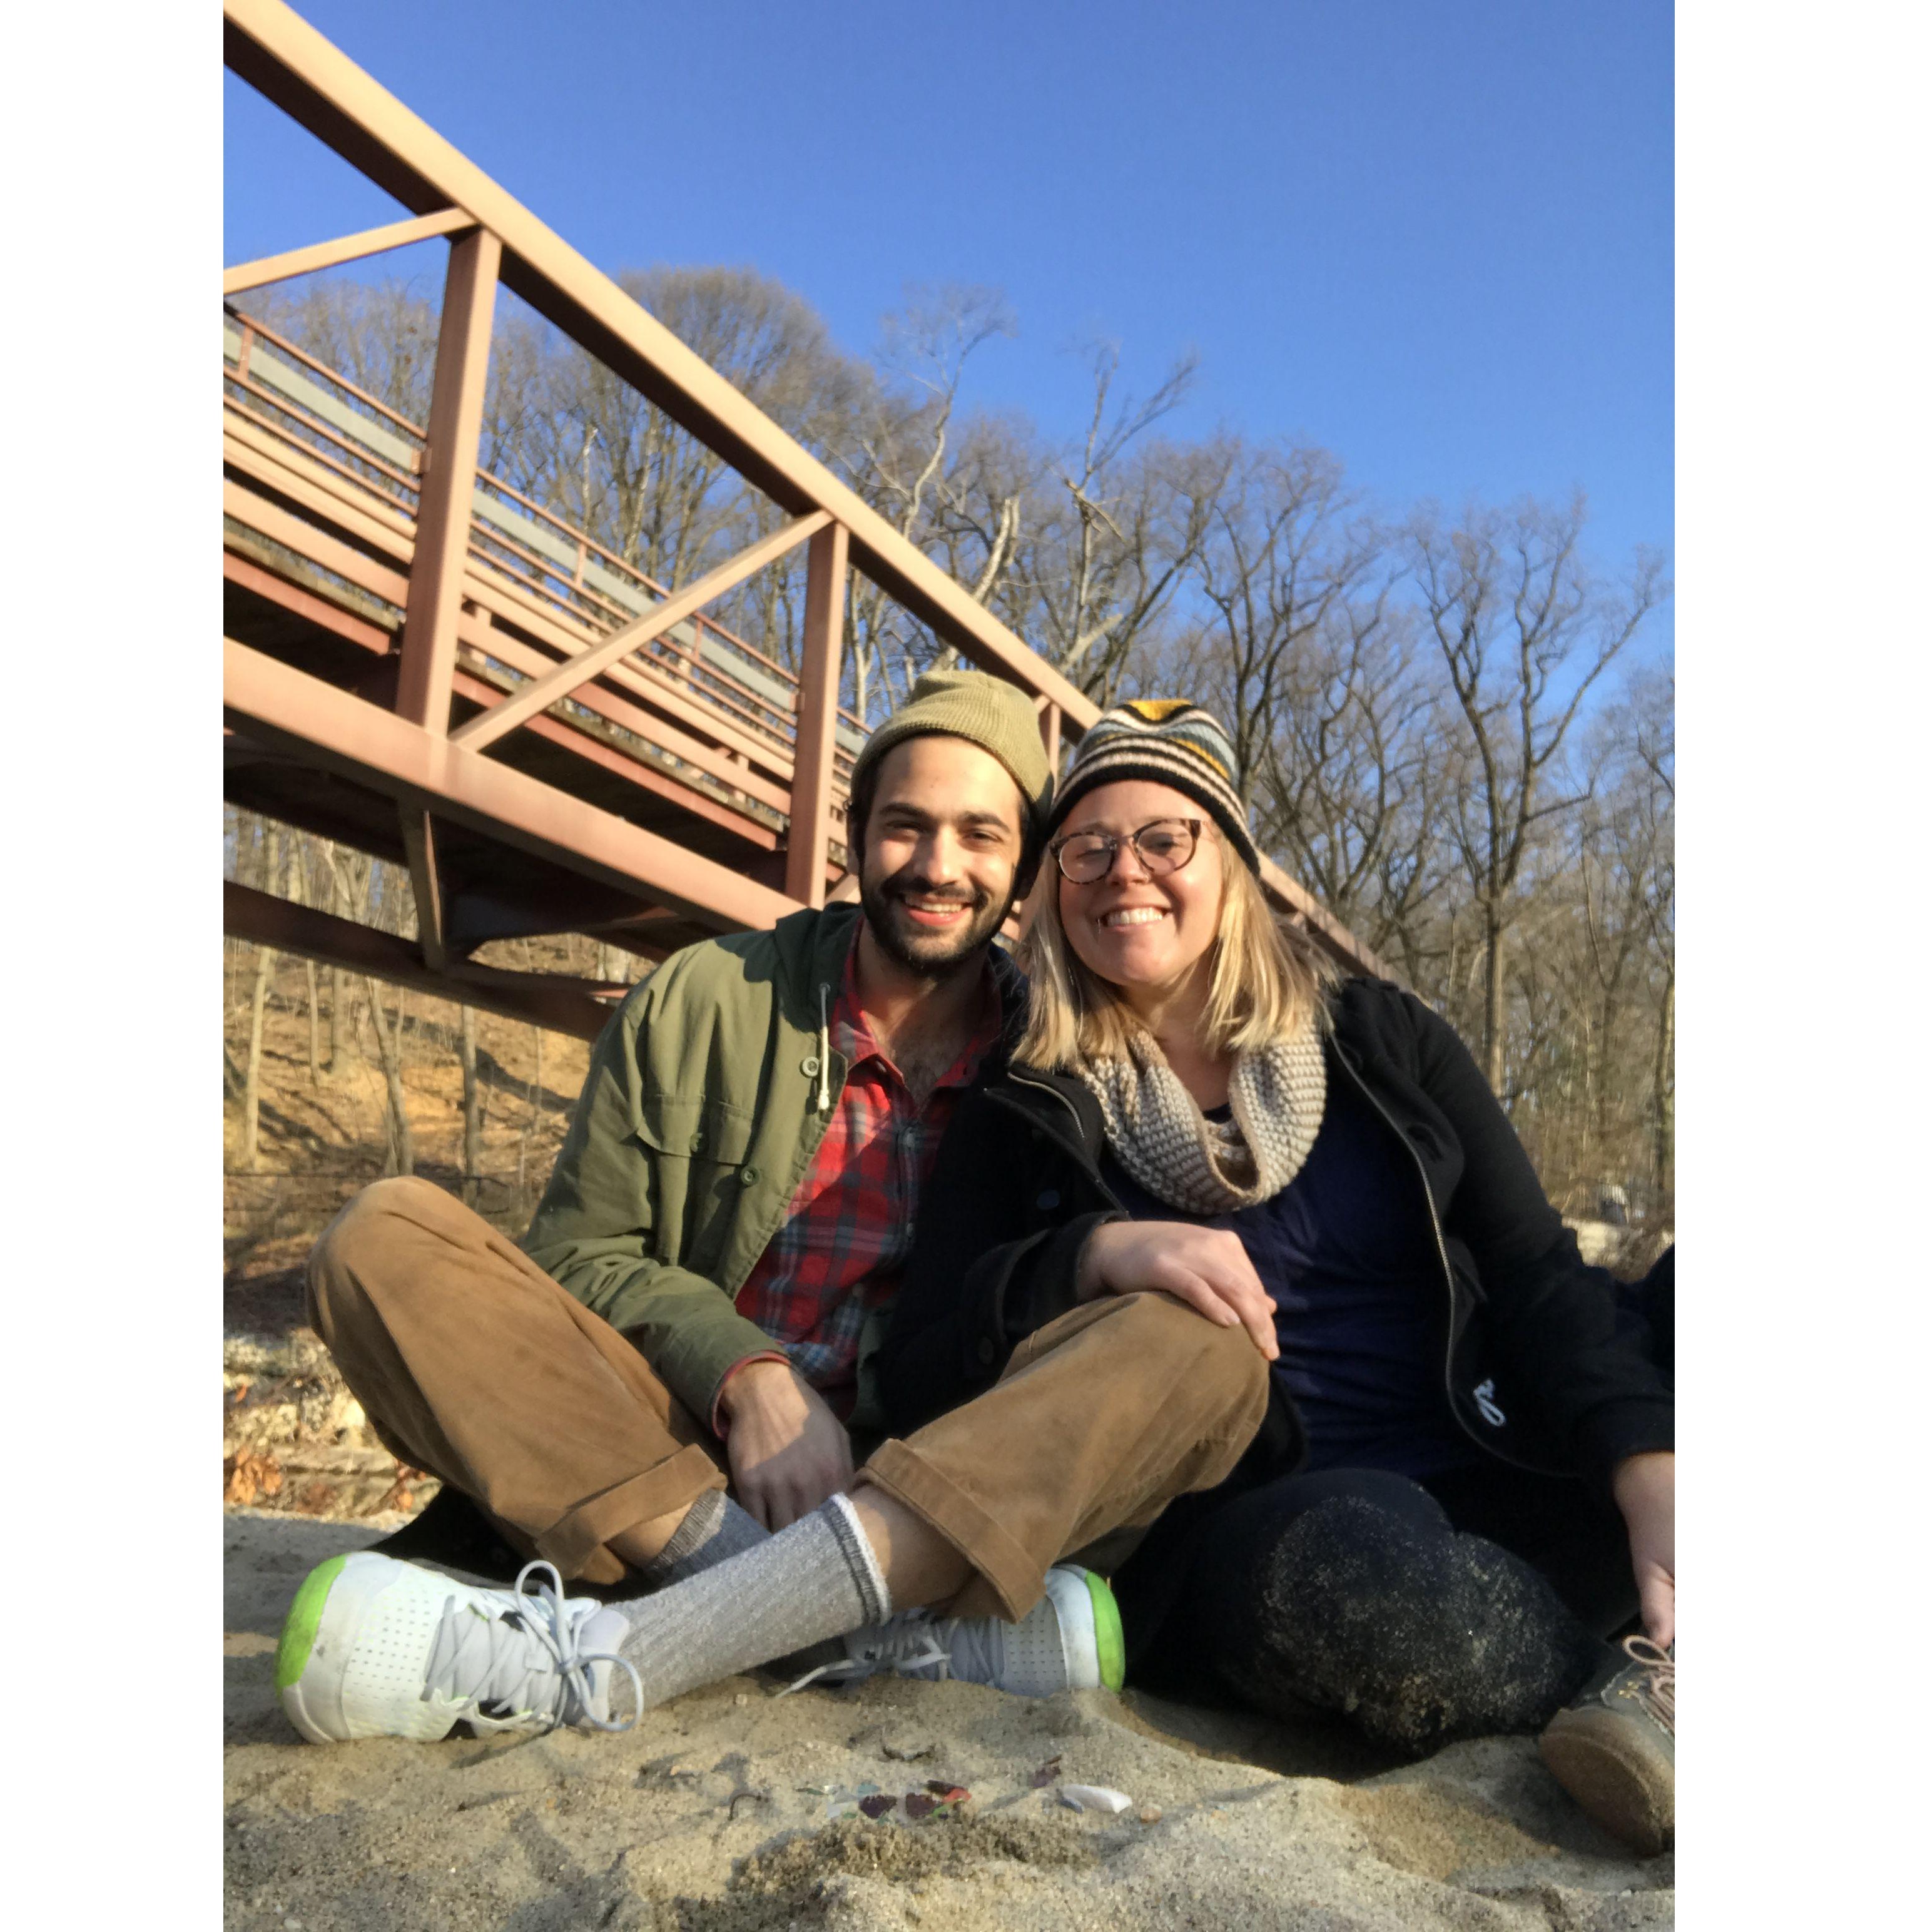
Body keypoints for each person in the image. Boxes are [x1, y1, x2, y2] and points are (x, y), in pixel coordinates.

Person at [275, 671, 1271, 1747]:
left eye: (981, 834)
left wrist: (1108, 1252)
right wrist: (745, 1372)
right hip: (662, 1465)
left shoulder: (1067, 1055)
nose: (939, 866)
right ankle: (842, 1629)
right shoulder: (707, 994)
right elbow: (576, 1254)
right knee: (381, 1236)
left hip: (925, 1501)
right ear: (857, 835)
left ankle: (700, 1628)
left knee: (1207, 1345)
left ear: (1023, 868)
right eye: (906, 826)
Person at [873, 699, 1677, 1856]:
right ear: (1053, 887)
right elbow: (924, 1372)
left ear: (1234, 867)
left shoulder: (1383, 1040)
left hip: (1514, 1447)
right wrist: (1092, 1256)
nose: (1122, 873)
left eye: (1166, 838)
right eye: (1086, 848)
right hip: (1275, 1528)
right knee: (1364, 1588)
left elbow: (1538, 1271)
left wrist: (1646, 1460)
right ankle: (1632, 1685)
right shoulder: (1026, 1098)